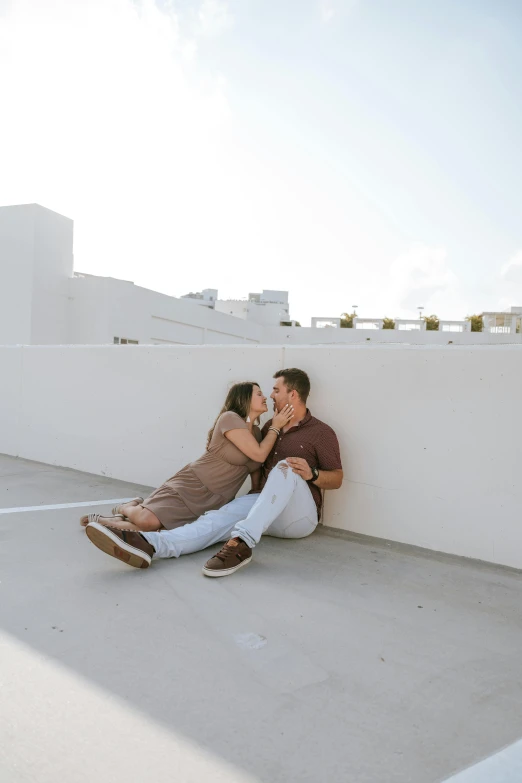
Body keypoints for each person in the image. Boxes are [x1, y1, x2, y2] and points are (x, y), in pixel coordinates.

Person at [85, 368, 343, 577]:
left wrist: (313, 474)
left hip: (299, 517)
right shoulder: (265, 432)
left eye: (276, 390)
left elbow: (337, 478)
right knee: (213, 520)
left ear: (293, 394)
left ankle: (241, 545)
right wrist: (242, 503)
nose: (271, 395)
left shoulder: (321, 433)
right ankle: (150, 545)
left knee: (285, 467)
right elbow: (256, 470)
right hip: (264, 509)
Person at [81, 381, 294, 532]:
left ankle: (103, 523)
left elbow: (255, 467)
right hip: (193, 485)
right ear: (245, 397)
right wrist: (275, 427)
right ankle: (127, 507)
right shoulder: (230, 419)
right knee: (147, 522)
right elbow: (259, 453)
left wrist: (256, 496)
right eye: (259, 393)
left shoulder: (256, 433)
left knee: (158, 529)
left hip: (216, 499)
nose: (265, 396)